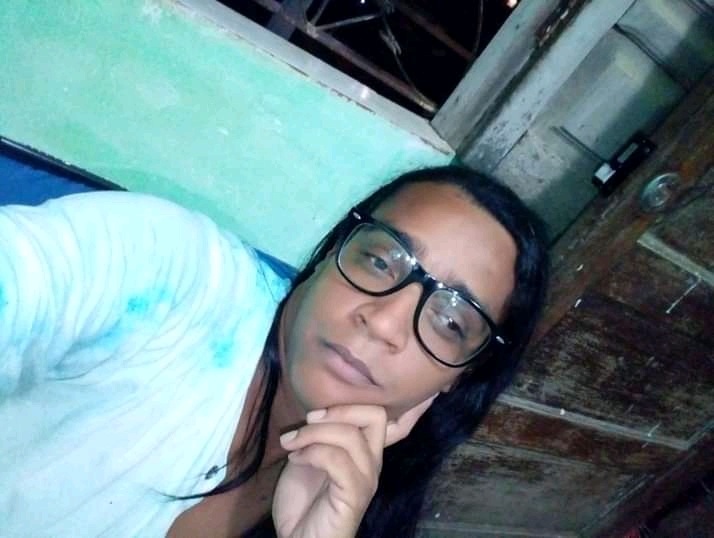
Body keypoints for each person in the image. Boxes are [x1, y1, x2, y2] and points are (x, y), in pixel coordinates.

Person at [0, 165, 548, 537]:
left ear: (461, 376)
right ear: (333, 250)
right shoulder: (174, 279)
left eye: (450, 320)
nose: (384, 321)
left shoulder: (366, 507)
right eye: (381, 261)